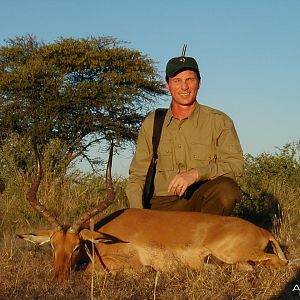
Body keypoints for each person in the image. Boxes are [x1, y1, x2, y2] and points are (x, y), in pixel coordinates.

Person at [125, 50, 244, 216]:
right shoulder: (153, 122)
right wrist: (138, 215)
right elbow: (137, 176)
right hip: (161, 205)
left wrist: (196, 174)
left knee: (227, 189)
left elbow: (235, 165)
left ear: (199, 83)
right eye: (177, 81)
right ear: (167, 85)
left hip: (199, 201)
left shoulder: (219, 121)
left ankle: (206, 238)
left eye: (190, 80)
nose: (184, 87)